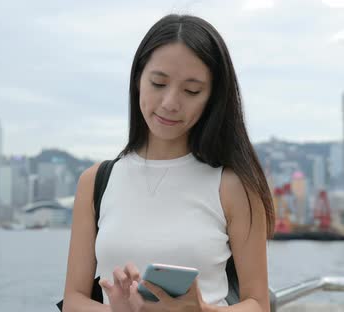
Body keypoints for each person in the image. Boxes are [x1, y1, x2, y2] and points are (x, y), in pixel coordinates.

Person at [62, 14, 275, 312]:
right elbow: (74, 299)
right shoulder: (96, 181)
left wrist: (200, 310)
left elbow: (258, 304)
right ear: (138, 79)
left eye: (191, 91)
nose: (170, 102)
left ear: (213, 98)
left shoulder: (232, 185)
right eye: (158, 83)